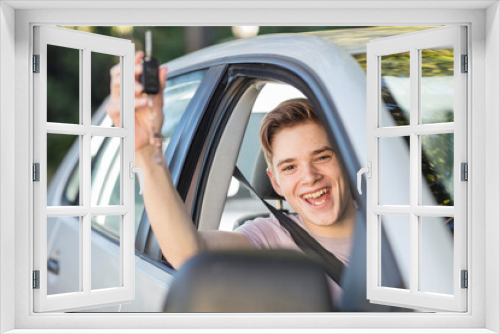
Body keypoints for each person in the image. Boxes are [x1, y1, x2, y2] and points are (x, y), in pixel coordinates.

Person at [107, 52, 356, 306]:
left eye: (322, 157)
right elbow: (189, 253)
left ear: (347, 159)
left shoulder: (390, 223)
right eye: (290, 167)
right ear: (276, 182)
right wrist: (146, 153)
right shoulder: (270, 238)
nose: (310, 177)